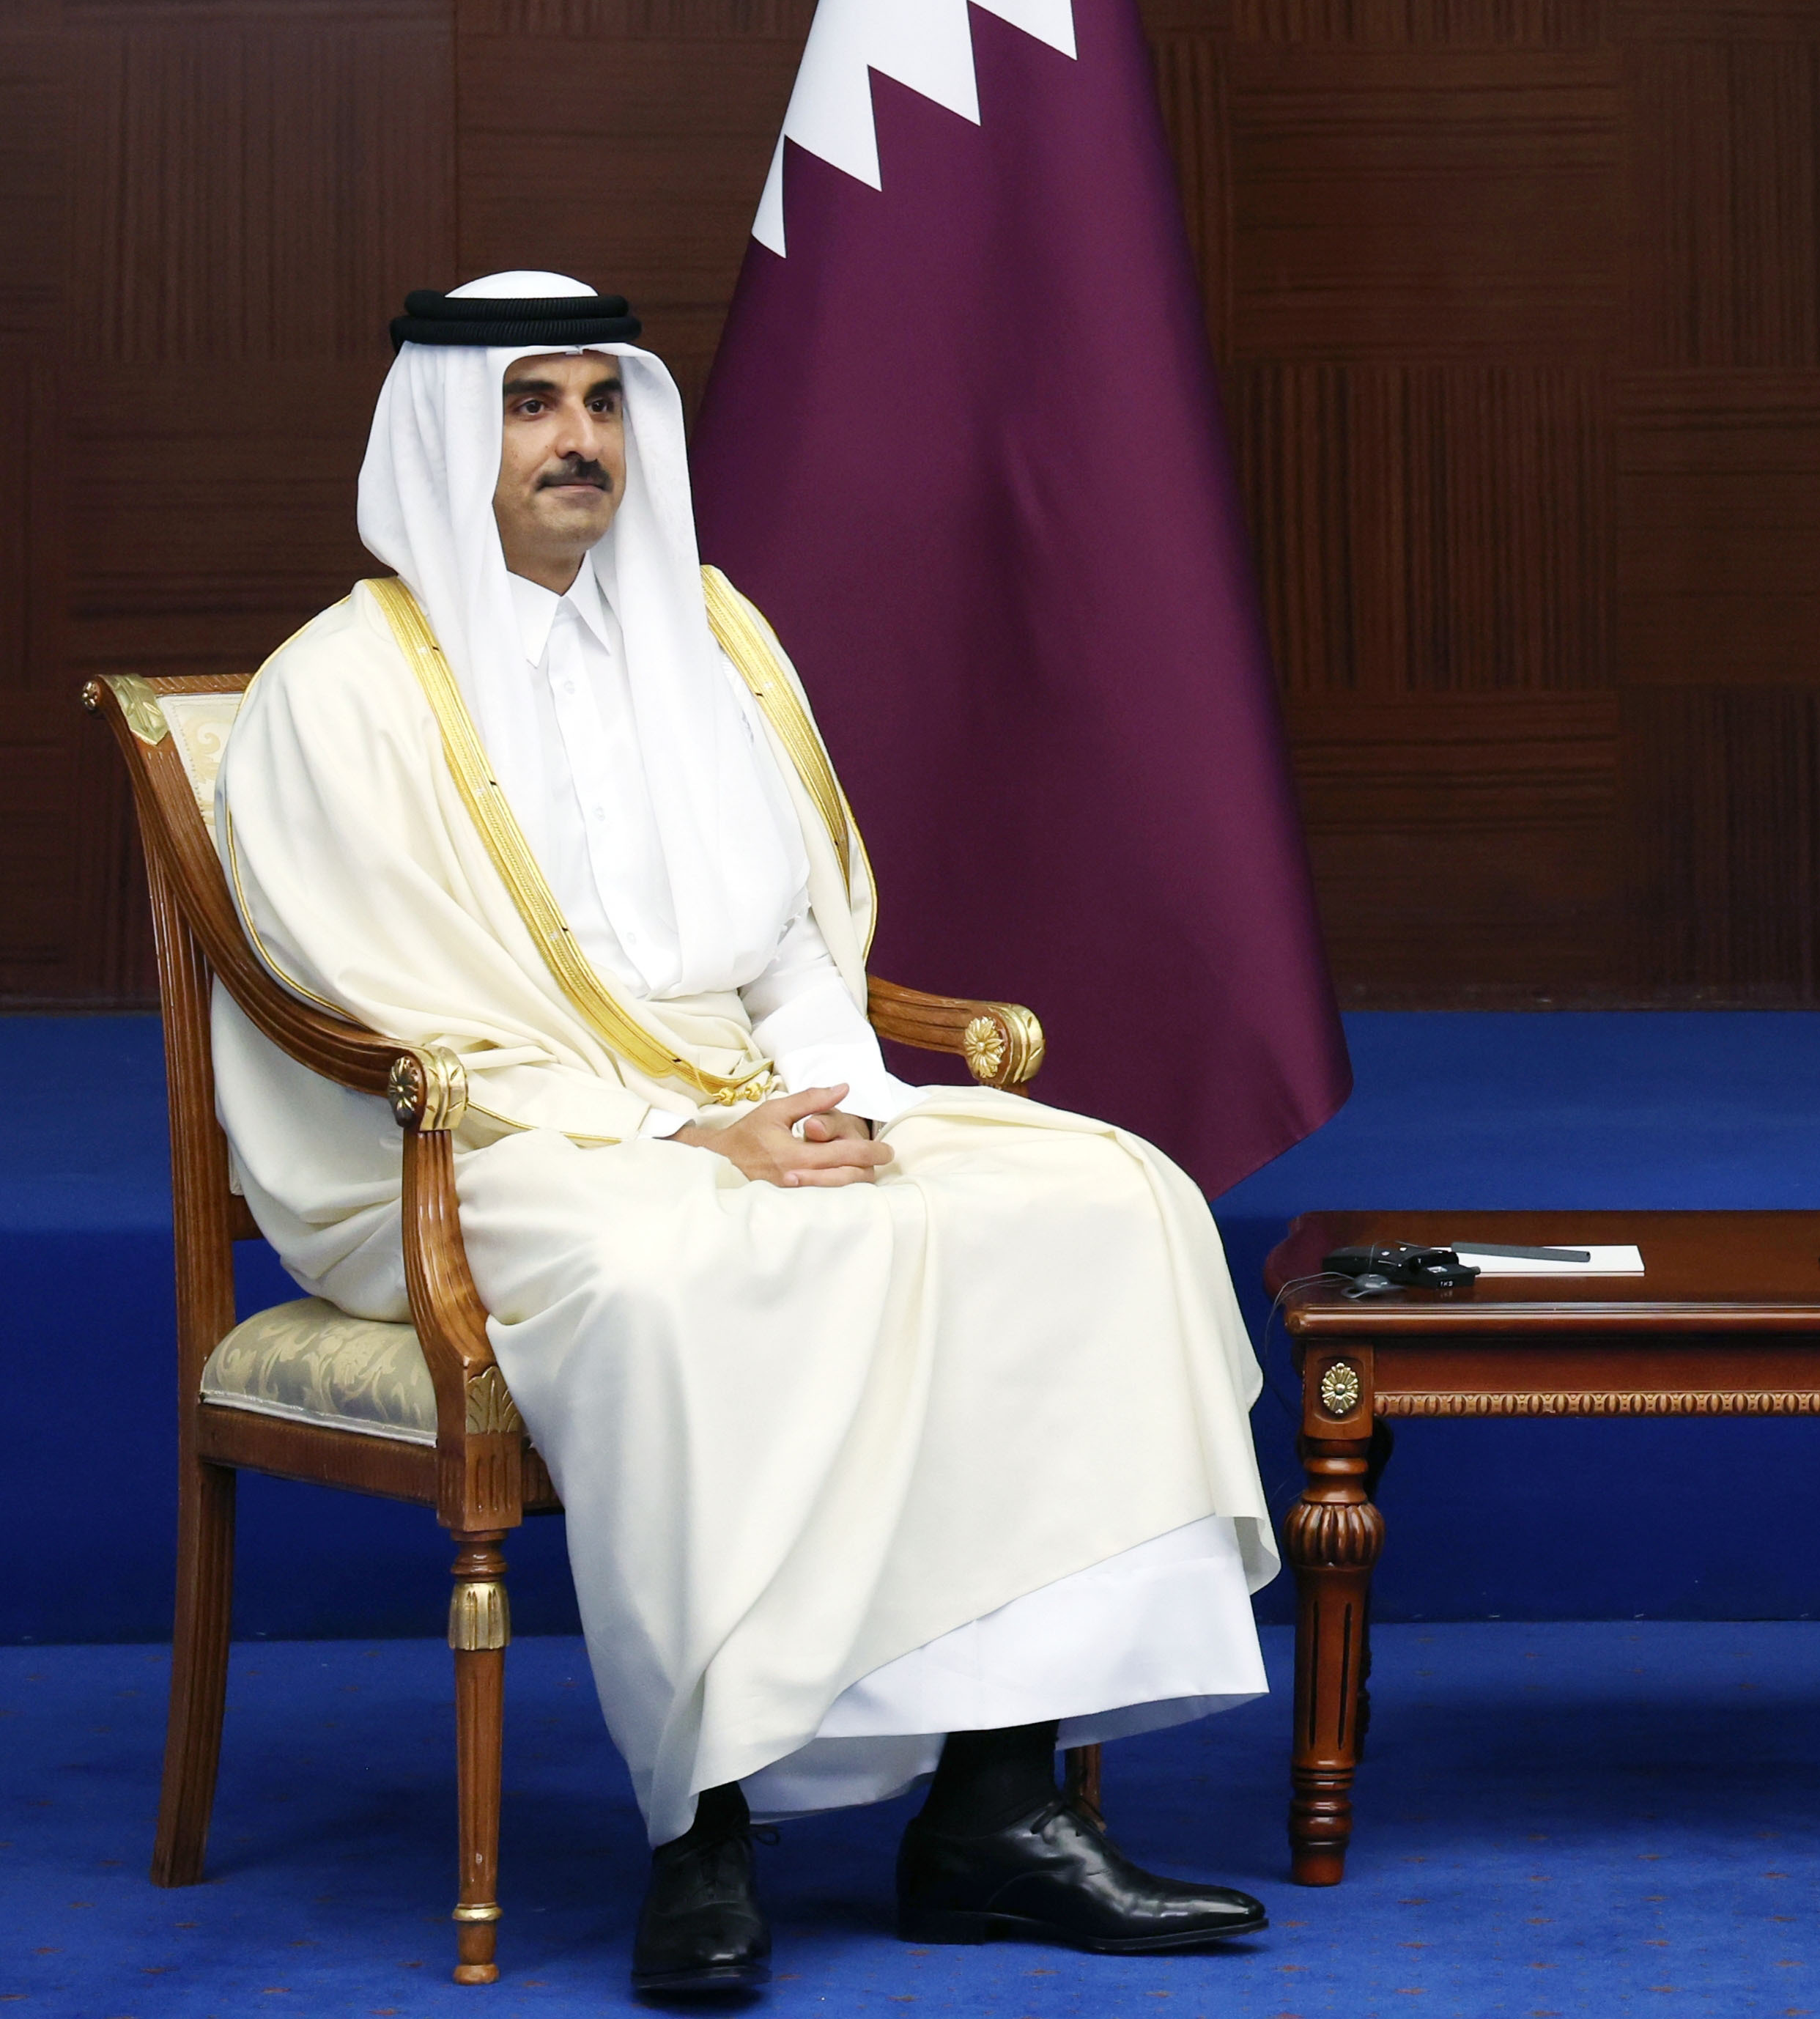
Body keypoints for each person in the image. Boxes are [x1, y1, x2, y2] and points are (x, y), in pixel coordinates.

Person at [211, 274, 1282, 1993]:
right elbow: (389, 1013)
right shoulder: (337, 691)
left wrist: (832, 1096)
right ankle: (704, 1828)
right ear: (440, 432)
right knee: (673, 1274)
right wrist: (686, 1142)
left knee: (1103, 1200)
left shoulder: (712, 636)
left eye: (601, 401)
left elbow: (795, 934)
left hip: (749, 1092)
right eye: (530, 404)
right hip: (478, 1151)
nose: (578, 440)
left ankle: (995, 1810)